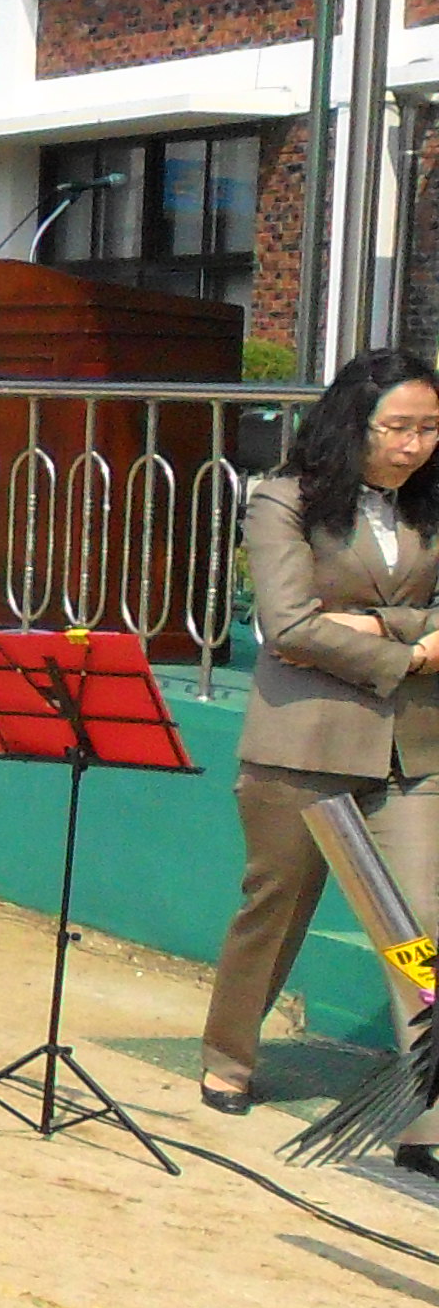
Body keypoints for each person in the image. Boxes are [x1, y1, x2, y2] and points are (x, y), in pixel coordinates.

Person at [200, 349, 439, 1120]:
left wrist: (373, 625)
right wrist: (412, 650)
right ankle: (229, 1060)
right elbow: (291, 626)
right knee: (276, 908)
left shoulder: (431, 503)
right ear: (353, 423)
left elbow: (330, 628)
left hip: (413, 748)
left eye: (430, 428)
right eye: (398, 428)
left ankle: (429, 1107)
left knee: (424, 927)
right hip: (304, 742)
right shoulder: (284, 500)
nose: (415, 445)